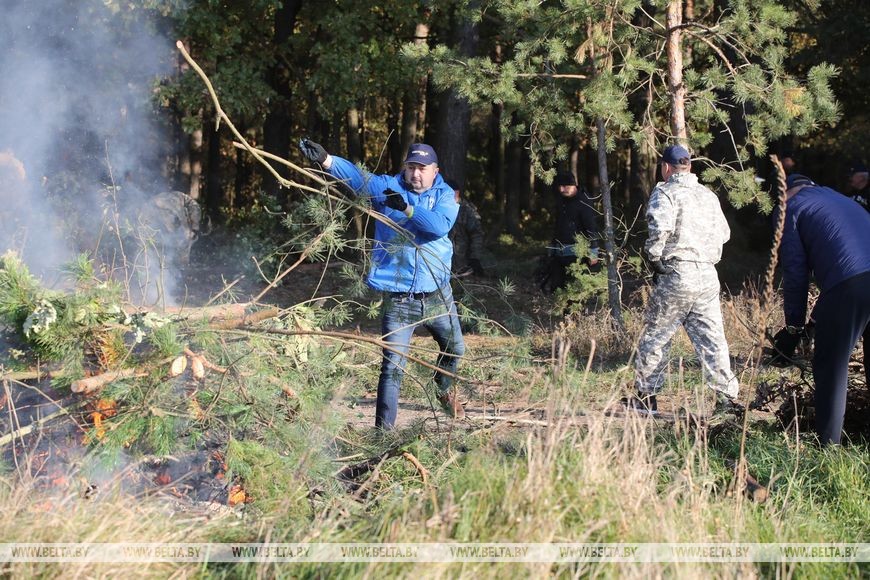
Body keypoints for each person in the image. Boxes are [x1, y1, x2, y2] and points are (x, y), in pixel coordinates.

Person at [298, 138, 465, 429]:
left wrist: (408, 210)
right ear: (405, 167)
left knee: (454, 349)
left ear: (435, 171)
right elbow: (360, 180)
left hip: (437, 294)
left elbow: (437, 226)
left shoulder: (446, 195)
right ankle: (383, 435)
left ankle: (442, 386)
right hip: (399, 298)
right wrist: (327, 161)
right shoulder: (388, 187)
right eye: (412, 167)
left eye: (423, 169)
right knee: (392, 368)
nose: (416, 174)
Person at [625, 145, 740, 416]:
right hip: (708, 275)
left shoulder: (665, 191)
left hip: (677, 273)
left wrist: (654, 259)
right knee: (713, 340)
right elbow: (725, 234)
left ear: (666, 167)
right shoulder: (708, 195)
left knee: (656, 335)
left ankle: (645, 398)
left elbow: (659, 230)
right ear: (689, 167)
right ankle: (726, 400)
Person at [770, 173, 870, 445]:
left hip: (851, 283)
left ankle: (828, 449)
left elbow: (795, 274)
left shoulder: (792, 209)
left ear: (786, 193)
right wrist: (814, 320)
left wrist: (793, 328)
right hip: (855, 278)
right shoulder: (840, 199)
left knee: (830, 365)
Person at [541, 170, 600, 293]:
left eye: (565, 186)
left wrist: (593, 252)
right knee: (556, 289)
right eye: (560, 186)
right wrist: (553, 247)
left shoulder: (584, 201)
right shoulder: (561, 201)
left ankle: (573, 313)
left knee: (574, 292)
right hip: (559, 254)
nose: (562, 189)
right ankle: (559, 312)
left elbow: (591, 228)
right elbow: (558, 225)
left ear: (573, 184)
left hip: (577, 256)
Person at [446, 179, 486, 277]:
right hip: (443, 262)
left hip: (462, 265)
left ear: (456, 193)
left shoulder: (467, 211)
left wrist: (475, 258)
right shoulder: (442, 208)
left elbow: (477, 235)